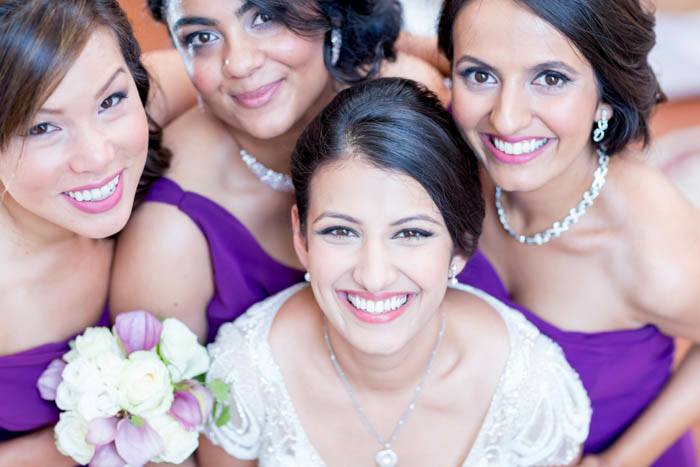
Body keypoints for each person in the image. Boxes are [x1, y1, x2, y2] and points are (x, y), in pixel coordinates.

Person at [201, 77, 591, 466]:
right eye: (340, 231)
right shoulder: (248, 374)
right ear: (301, 237)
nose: (374, 277)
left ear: (460, 245)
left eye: (411, 233)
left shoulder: (525, 386)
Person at [436, 0, 700, 465]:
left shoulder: (652, 249)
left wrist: (621, 460)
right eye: (480, 75)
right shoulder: (450, 160)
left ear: (605, 94)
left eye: (551, 79)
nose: (507, 119)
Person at [110, 0, 413, 344]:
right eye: (201, 37)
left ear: (334, 12)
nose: (238, 63)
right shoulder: (169, 233)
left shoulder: (407, 102)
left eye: (266, 18)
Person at [0, 0, 172, 463]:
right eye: (42, 127)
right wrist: (86, 442)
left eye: (110, 101)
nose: (97, 156)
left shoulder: (143, 98)